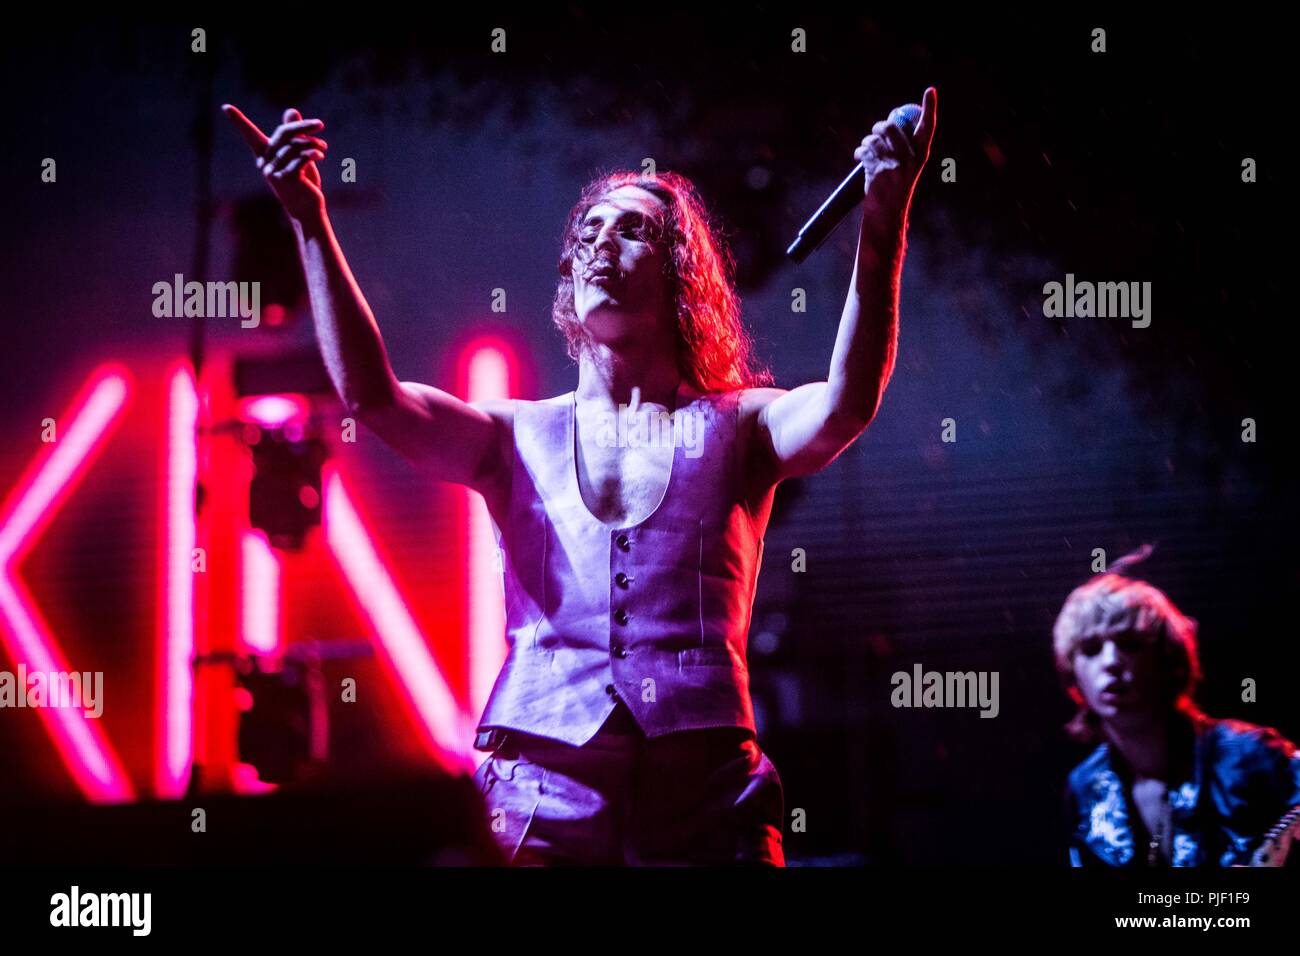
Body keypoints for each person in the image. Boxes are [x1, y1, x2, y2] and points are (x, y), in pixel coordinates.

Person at [223, 88, 937, 864]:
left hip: (705, 784)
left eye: (632, 231)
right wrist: (307, 220)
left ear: (679, 277)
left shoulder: (740, 424)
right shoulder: (513, 433)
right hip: (539, 780)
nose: (601, 245)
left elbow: (845, 405)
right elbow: (374, 398)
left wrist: (882, 217)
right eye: (588, 232)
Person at [1054, 548, 1300, 866]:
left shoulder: (1250, 754)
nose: (1111, 662)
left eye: (1130, 643)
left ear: (1167, 658)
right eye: (1091, 649)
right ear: (1072, 673)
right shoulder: (1085, 787)